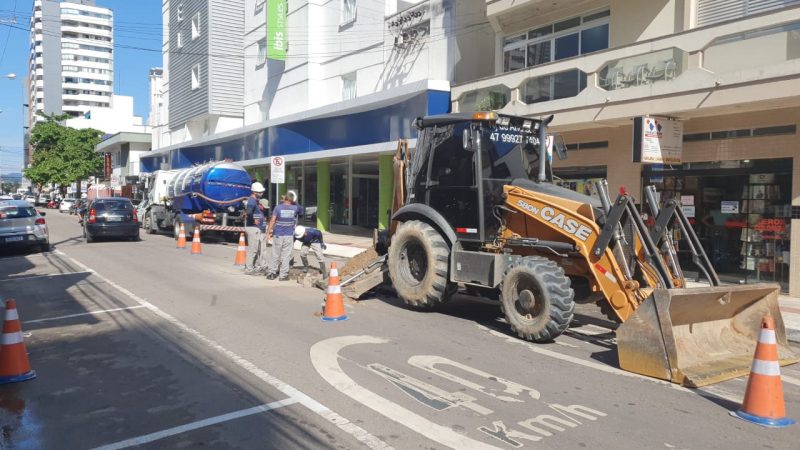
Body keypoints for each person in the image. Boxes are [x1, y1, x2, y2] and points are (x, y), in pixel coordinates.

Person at [265, 194, 303, 281]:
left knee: (275, 254)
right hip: (288, 235)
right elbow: (301, 210)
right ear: (292, 200)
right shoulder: (295, 208)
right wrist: (294, 202)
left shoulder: (278, 208)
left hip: (278, 234)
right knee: (286, 255)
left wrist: (268, 233)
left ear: (284, 199)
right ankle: (283, 276)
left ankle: (272, 273)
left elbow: (273, 220)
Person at [244, 182, 267, 274]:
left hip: (256, 228)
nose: (261, 193)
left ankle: (252, 267)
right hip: (253, 228)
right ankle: (249, 269)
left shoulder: (255, 201)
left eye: (261, 192)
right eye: (260, 192)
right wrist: (253, 220)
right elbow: (249, 213)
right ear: (254, 192)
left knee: (256, 249)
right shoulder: (252, 201)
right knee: (253, 250)